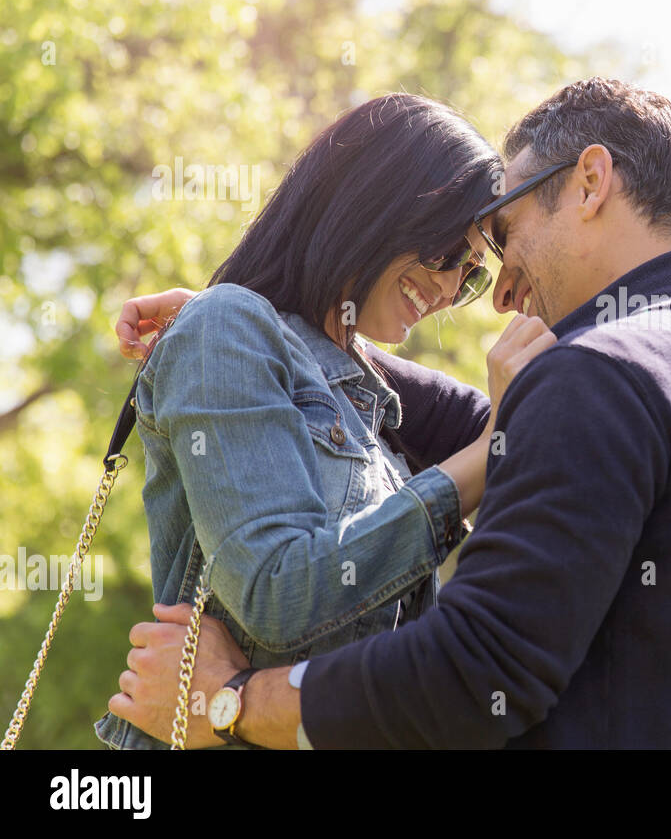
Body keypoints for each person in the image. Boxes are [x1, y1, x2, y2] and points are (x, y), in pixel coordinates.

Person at [110, 77, 671, 749]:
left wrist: (230, 701)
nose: (496, 292)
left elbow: (474, 671)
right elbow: (502, 432)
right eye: (462, 255)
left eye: (496, 243)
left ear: (591, 182)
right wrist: (255, 326)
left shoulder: (605, 375)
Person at [95, 93, 555, 749]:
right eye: (451, 251)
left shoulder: (364, 401)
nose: (454, 288)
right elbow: (275, 593)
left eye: (473, 275)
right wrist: (489, 453)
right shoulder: (227, 330)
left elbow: (498, 420)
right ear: (376, 201)